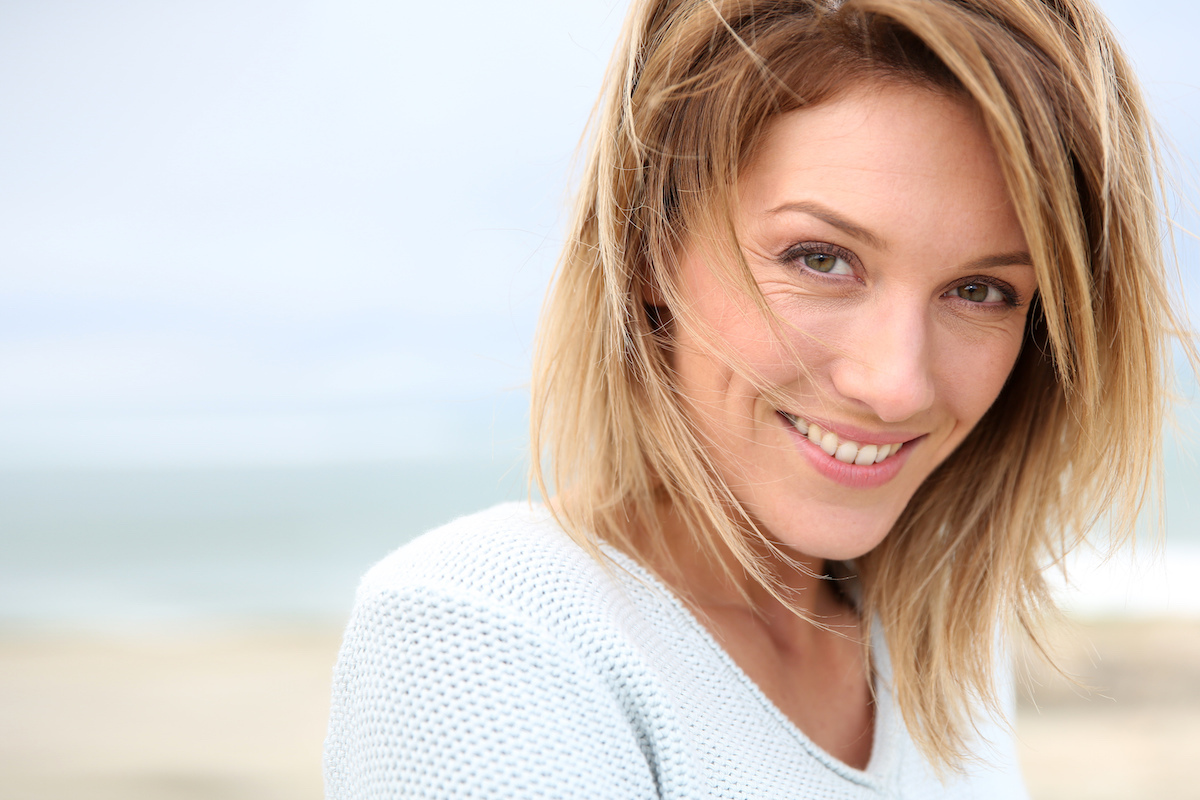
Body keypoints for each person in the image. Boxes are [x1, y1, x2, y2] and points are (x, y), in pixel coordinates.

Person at [324, 0, 1193, 796]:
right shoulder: (485, 630)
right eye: (820, 259)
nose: (895, 385)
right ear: (648, 248)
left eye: (980, 292)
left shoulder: (942, 647)